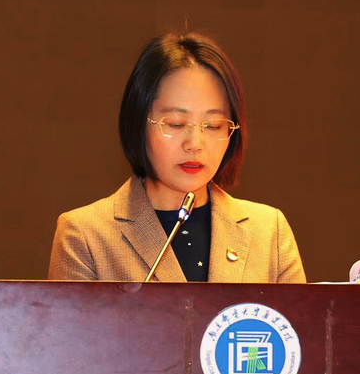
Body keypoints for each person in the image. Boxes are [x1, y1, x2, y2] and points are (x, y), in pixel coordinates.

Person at [48, 33, 306, 283]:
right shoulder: (85, 236)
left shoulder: (269, 233)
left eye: (213, 126)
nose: (195, 144)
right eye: (175, 123)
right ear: (138, 123)